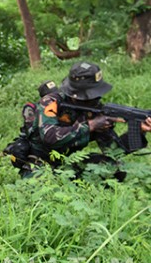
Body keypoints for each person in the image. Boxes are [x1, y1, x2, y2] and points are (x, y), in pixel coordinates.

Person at [20, 61, 151, 179]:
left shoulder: (94, 110)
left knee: (114, 168)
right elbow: (49, 137)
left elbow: (114, 151)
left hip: (68, 162)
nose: (96, 98)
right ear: (76, 93)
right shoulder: (51, 102)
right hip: (39, 163)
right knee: (38, 189)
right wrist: (90, 126)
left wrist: (138, 131)